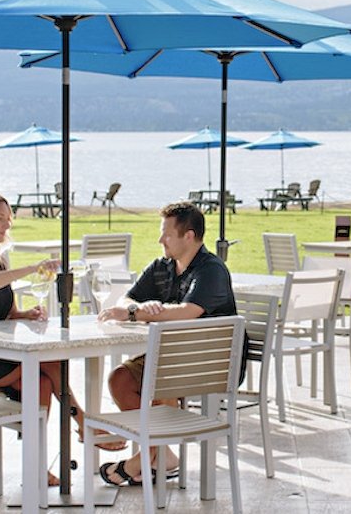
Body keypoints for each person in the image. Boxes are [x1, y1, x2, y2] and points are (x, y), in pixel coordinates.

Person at [96, 200, 246, 487]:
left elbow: (187, 312)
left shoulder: (211, 270)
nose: (160, 240)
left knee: (159, 381)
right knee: (121, 379)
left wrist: (136, 314)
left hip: (212, 364)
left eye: (166, 234)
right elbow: (126, 299)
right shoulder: (161, 267)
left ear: (188, 236)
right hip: (173, 358)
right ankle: (162, 455)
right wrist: (137, 307)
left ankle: (142, 459)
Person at [0, 192, 93, 486]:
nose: (7, 224)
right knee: (49, 361)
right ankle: (84, 422)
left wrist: (25, 314)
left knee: (41, 382)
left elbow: (7, 312)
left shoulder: (0, 261)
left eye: (8, 218)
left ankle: (36, 466)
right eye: (0, 218)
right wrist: (32, 269)